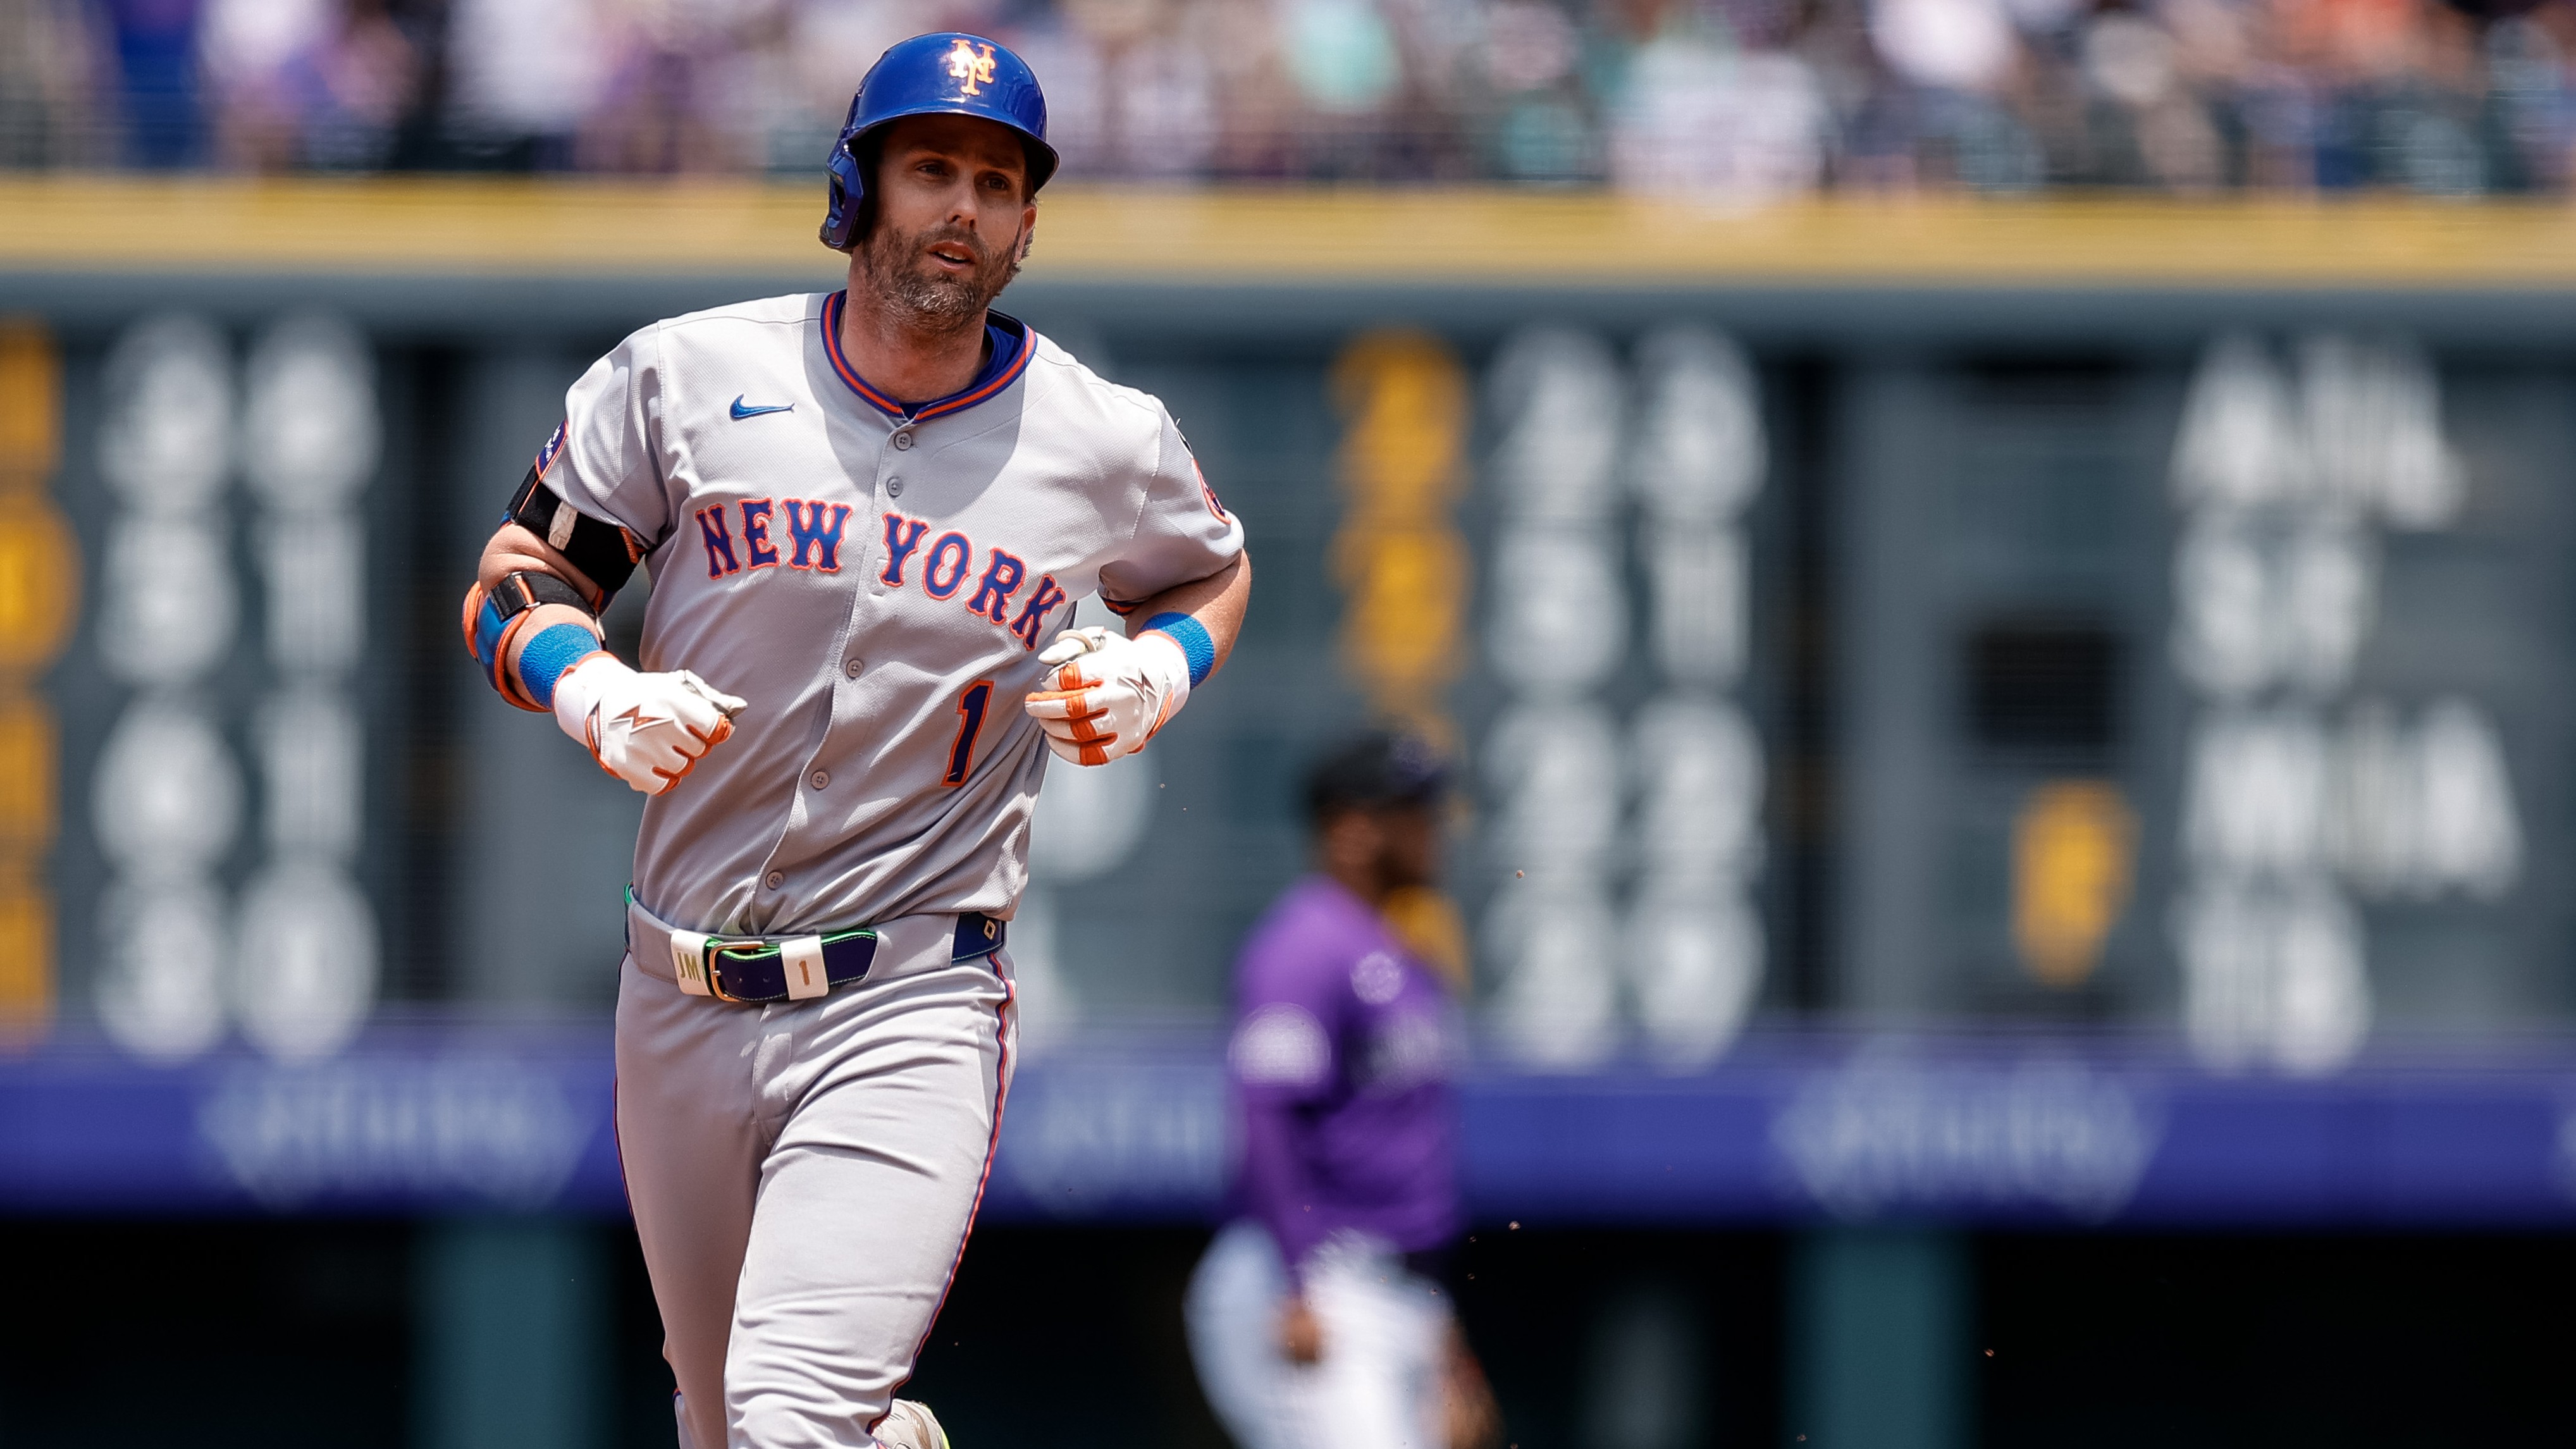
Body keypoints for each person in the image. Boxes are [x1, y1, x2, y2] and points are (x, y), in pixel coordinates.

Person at [457, 32, 1251, 1449]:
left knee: (786, 1415)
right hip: (678, 987)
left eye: (996, 183)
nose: (962, 207)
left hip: (909, 994)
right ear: (857, 183)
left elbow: (1209, 569)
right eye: (931, 167)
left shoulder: (1100, 435)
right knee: (719, 1422)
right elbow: (519, 576)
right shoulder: (686, 373)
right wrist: (591, 690)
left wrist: (1158, 664)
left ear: (1026, 223)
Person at [1186, 732, 1501, 1449]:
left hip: (1395, 1287)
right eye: (1411, 811)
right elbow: (1265, 1117)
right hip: (1314, 1274)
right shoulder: (1302, 946)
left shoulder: (1396, 949)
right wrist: (1297, 1283)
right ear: (1351, 829)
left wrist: (1438, 1327)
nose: (1432, 829)